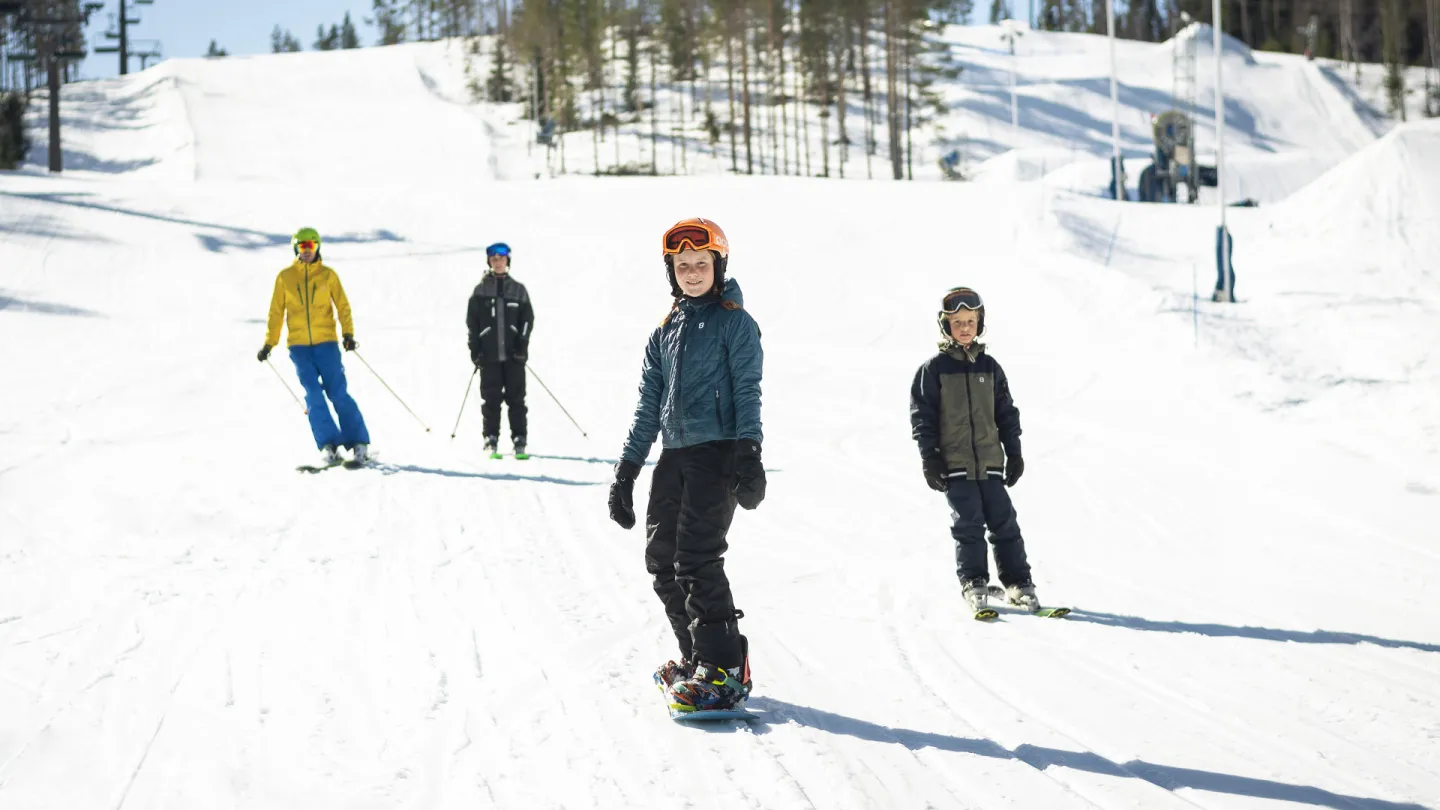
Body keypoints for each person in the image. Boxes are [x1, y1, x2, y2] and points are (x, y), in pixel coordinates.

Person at [607, 217, 765, 714]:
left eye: (701, 263)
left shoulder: (736, 322)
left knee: (696, 558)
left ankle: (724, 667)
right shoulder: (665, 331)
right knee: (662, 559)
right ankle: (696, 657)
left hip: (717, 451)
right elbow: (647, 404)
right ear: (670, 270)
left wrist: (748, 452)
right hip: (674, 455)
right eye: (682, 265)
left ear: (718, 266)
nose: (692, 272)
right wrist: (627, 470)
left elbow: (746, 389)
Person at [909, 287, 1045, 615]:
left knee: (1005, 523)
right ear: (946, 326)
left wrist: (1014, 453)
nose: (965, 327)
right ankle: (974, 582)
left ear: (980, 323)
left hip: (990, 463)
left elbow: (1006, 414)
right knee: (968, 524)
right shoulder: (934, 370)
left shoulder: (991, 368)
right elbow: (922, 418)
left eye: (971, 320)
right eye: (958, 322)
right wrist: (930, 458)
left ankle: (1018, 583)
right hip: (954, 465)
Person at [257, 227, 371, 466]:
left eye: (310, 246)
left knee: (337, 392)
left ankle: (358, 442)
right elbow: (276, 313)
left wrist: (348, 333)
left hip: (326, 344)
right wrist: (269, 343)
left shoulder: (328, 276)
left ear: (317, 247)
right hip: (299, 348)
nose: (306, 251)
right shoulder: (285, 277)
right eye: (302, 246)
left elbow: (343, 306)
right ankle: (328, 444)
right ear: (296, 248)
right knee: (313, 395)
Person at [465, 242, 534, 459]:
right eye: (493, 259)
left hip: (514, 356)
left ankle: (519, 439)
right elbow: (472, 324)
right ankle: (491, 438)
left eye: (501, 258)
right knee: (491, 398)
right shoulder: (480, 291)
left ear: (507, 261)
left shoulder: (518, 290)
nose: (498, 262)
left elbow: (527, 319)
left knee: (516, 399)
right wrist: (475, 350)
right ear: (489, 262)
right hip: (490, 356)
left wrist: (522, 345)